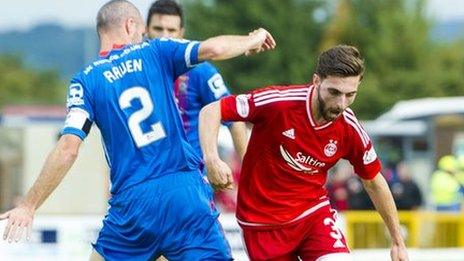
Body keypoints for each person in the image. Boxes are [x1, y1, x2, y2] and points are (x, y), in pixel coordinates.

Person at [0, 1, 276, 260]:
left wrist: (29, 204)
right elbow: (214, 50)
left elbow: (68, 148)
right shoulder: (155, 51)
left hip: (133, 206)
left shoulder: (84, 81)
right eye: (144, 32)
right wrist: (251, 39)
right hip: (185, 192)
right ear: (131, 26)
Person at [199, 45, 408, 261]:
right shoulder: (279, 103)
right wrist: (212, 158)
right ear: (316, 81)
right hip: (261, 223)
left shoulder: (349, 127)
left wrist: (397, 241)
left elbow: (374, 182)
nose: (341, 104)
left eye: (350, 95)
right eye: (334, 92)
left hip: (313, 216)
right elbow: (212, 110)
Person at [146, 0, 248, 168]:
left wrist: (247, 168)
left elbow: (234, 117)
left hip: (189, 177)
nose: (164, 36)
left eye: (171, 30)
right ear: (146, 30)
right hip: (146, 178)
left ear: (181, 33)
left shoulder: (200, 71)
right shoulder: (134, 70)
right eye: (158, 29)